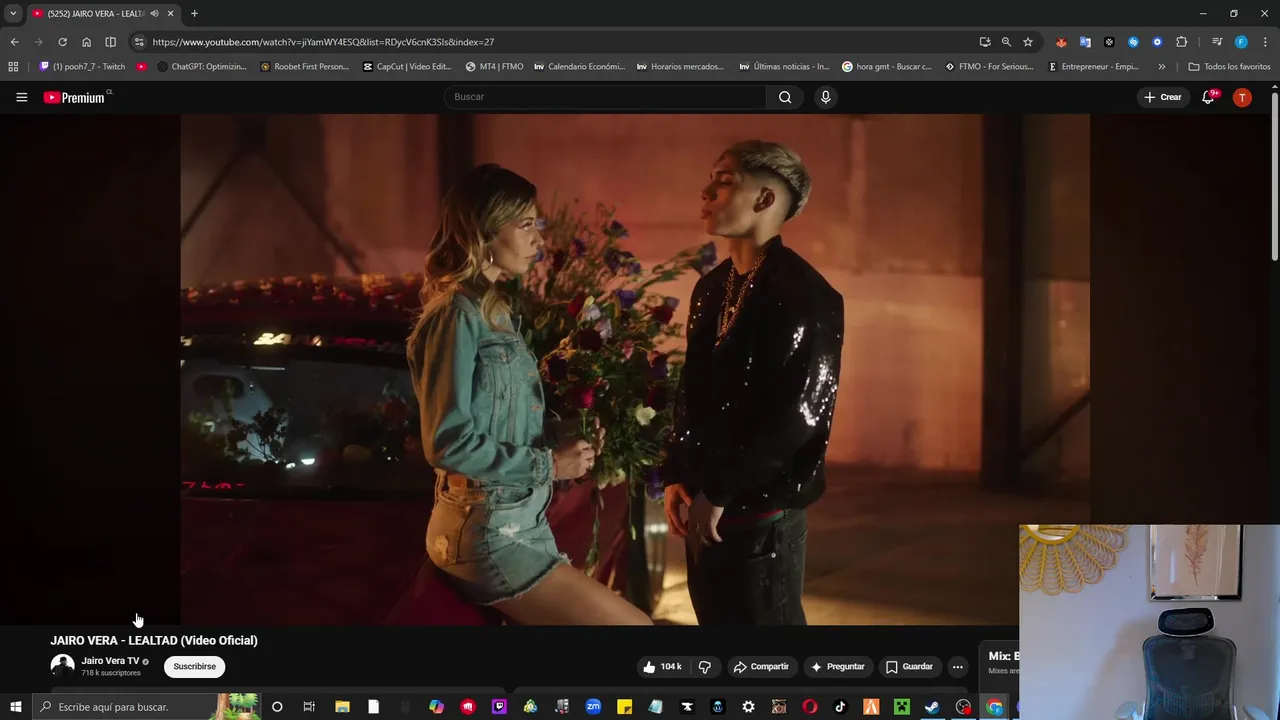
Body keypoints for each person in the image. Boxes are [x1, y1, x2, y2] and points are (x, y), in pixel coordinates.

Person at [407, 163, 652, 626]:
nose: (538, 239)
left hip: (520, 522)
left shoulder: (494, 311)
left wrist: (562, 436)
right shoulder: (456, 316)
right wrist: (550, 465)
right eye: (525, 225)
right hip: (487, 532)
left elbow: (494, 422)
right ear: (483, 231)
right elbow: (447, 442)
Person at [662, 140, 844, 625]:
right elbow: (692, 391)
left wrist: (721, 492)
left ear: (765, 199)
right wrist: (677, 472)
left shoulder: (805, 295)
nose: (706, 193)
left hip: (760, 513)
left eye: (724, 182)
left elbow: (795, 418)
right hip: (706, 501)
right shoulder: (712, 287)